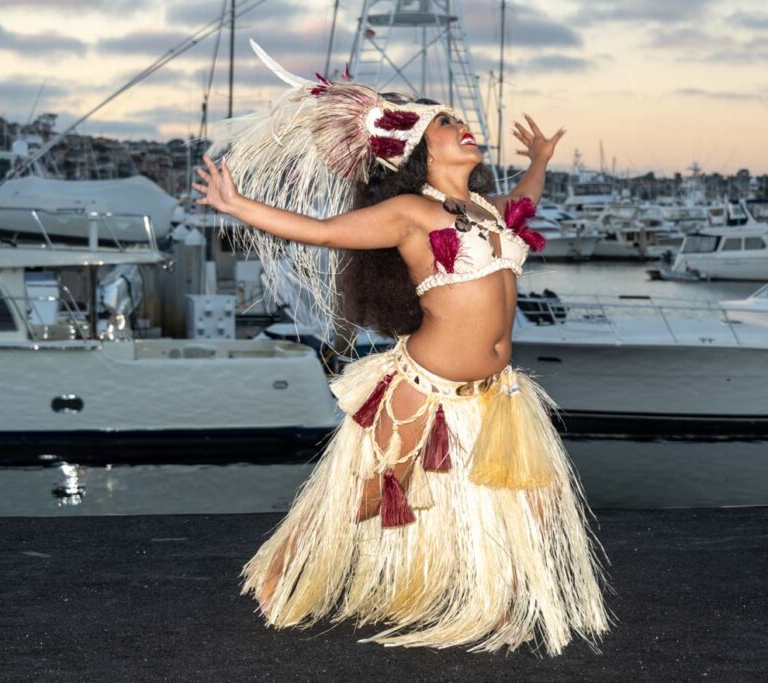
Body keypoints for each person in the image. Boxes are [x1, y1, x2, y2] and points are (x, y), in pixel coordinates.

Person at [192, 40, 609, 656]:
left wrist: (541, 160)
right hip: (423, 389)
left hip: (496, 393)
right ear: (419, 150)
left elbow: (527, 197)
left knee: (533, 498)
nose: (462, 126)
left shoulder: (488, 212)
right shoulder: (412, 212)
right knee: (363, 495)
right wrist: (238, 206)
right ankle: (285, 568)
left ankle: (510, 598)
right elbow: (323, 232)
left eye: (458, 119)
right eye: (446, 123)